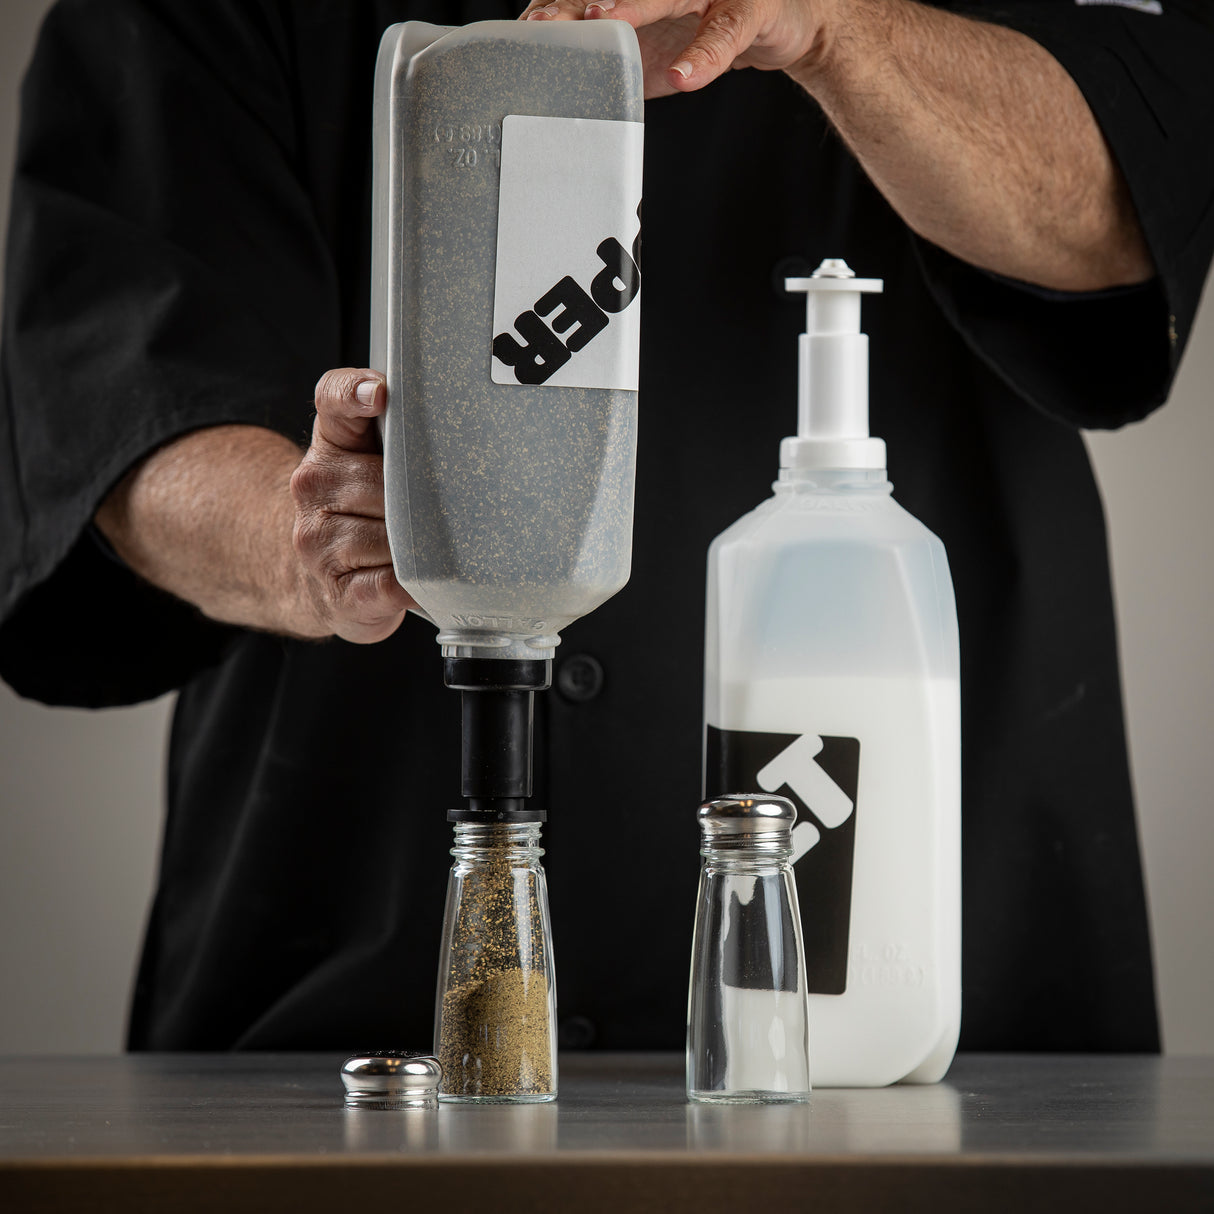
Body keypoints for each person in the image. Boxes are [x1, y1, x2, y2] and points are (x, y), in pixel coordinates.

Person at [2, 0, 1211, 1053]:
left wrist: (836, 26)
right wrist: (306, 535)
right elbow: (113, 394)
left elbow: (1119, 202)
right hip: (347, 980)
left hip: (942, 988)